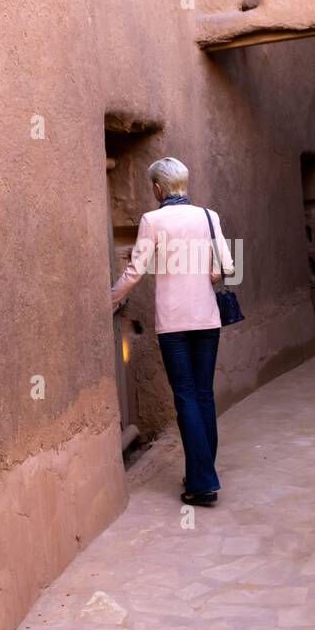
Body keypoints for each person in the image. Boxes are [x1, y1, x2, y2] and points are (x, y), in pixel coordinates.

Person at [111, 157, 234, 506]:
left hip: (175, 323)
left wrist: (109, 299)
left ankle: (202, 481)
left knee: (185, 396)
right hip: (207, 319)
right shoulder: (209, 216)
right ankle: (203, 474)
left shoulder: (153, 220)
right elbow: (227, 266)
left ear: (158, 188)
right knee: (203, 394)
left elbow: (135, 272)